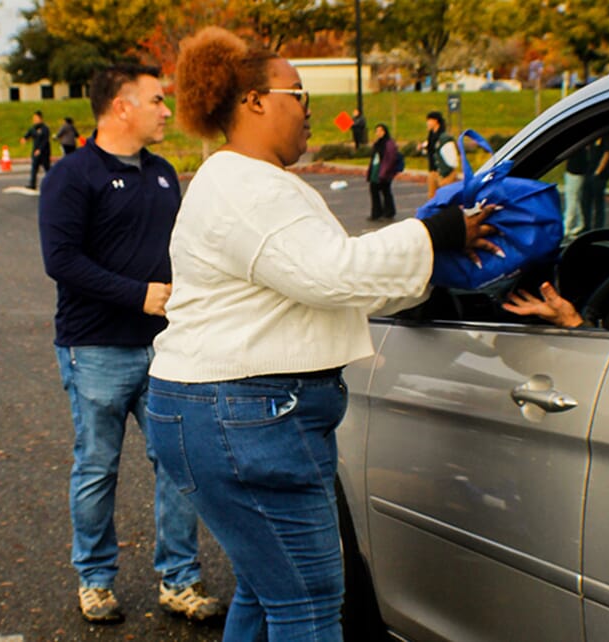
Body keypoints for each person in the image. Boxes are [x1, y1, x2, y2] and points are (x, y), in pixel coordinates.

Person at [146, 27, 499, 641]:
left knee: (266, 592)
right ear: (255, 100)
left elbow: (335, 280)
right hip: (247, 414)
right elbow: (331, 273)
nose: (309, 111)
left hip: (220, 408)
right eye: (299, 94)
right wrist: (434, 234)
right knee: (307, 603)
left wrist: (429, 262)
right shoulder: (245, 186)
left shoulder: (244, 182)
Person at [37, 65, 224, 624]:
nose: (168, 111)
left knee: (177, 464)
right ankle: (95, 580)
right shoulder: (71, 177)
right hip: (95, 348)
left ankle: (180, 579)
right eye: (157, 101)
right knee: (97, 467)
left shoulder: (164, 173)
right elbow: (61, 261)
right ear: (122, 106)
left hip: (168, 348)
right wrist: (136, 295)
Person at [421, 111, 459, 200]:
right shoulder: (431, 137)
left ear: (436, 121)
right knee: (432, 199)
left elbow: (453, 160)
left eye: (429, 120)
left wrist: (447, 173)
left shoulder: (444, 139)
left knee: (446, 199)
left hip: (444, 174)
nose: (427, 123)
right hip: (432, 172)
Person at [368, 123, 399, 220]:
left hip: (384, 172)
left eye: (380, 131)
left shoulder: (389, 143)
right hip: (376, 170)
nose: (378, 133)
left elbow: (391, 158)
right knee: (375, 191)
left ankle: (388, 212)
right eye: (376, 131)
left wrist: (385, 171)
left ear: (384, 132)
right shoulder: (378, 143)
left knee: (385, 191)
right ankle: (378, 212)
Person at [582, 135, 609, 229]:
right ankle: (586, 226)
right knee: (585, 201)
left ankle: (598, 226)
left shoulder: (606, 139)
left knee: (598, 202)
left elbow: (607, 154)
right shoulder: (591, 139)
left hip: (600, 175)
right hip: (589, 172)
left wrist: (598, 171)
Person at [20, 110, 51, 190]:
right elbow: (28, 133)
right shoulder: (33, 128)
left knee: (47, 168)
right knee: (34, 168)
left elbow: (45, 141)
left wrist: (40, 150)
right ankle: (32, 184)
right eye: (33, 118)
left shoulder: (45, 129)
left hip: (44, 152)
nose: (34, 120)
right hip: (35, 152)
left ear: (40, 119)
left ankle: (53, 182)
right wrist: (24, 138)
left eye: (36, 118)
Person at [562, 146, 588, 239]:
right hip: (573, 171)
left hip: (575, 171)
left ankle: (567, 225)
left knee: (571, 199)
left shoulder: (578, 148)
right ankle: (580, 223)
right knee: (575, 199)